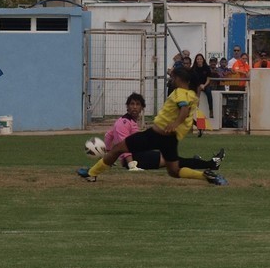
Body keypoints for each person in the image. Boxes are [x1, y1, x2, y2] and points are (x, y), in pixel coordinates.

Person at [76, 67, 227, 185]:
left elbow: (184, 108)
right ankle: (205, 175)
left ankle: (92, 173)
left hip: (155, 135)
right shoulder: (192, 95)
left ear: (180, 79)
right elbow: (189, 106)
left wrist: (176, 122)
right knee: (173, 171)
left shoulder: (180, 92)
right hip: (170, 140)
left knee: (117, 149)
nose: (171, 80)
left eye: (173, 77)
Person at [192, 53, 214, 118]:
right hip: (197, 84)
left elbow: (208, 78)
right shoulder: (194, 69)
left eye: (200, 59)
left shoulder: (206, 67)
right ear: (196, 60)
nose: (199, 60)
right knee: (196, 96)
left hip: (205, 84)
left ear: (203, 60)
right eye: (198, 59)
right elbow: (193, 79)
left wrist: (204, 85)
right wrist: (199, 85)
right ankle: (196, 110)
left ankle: (211, 110)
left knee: (209, 92)